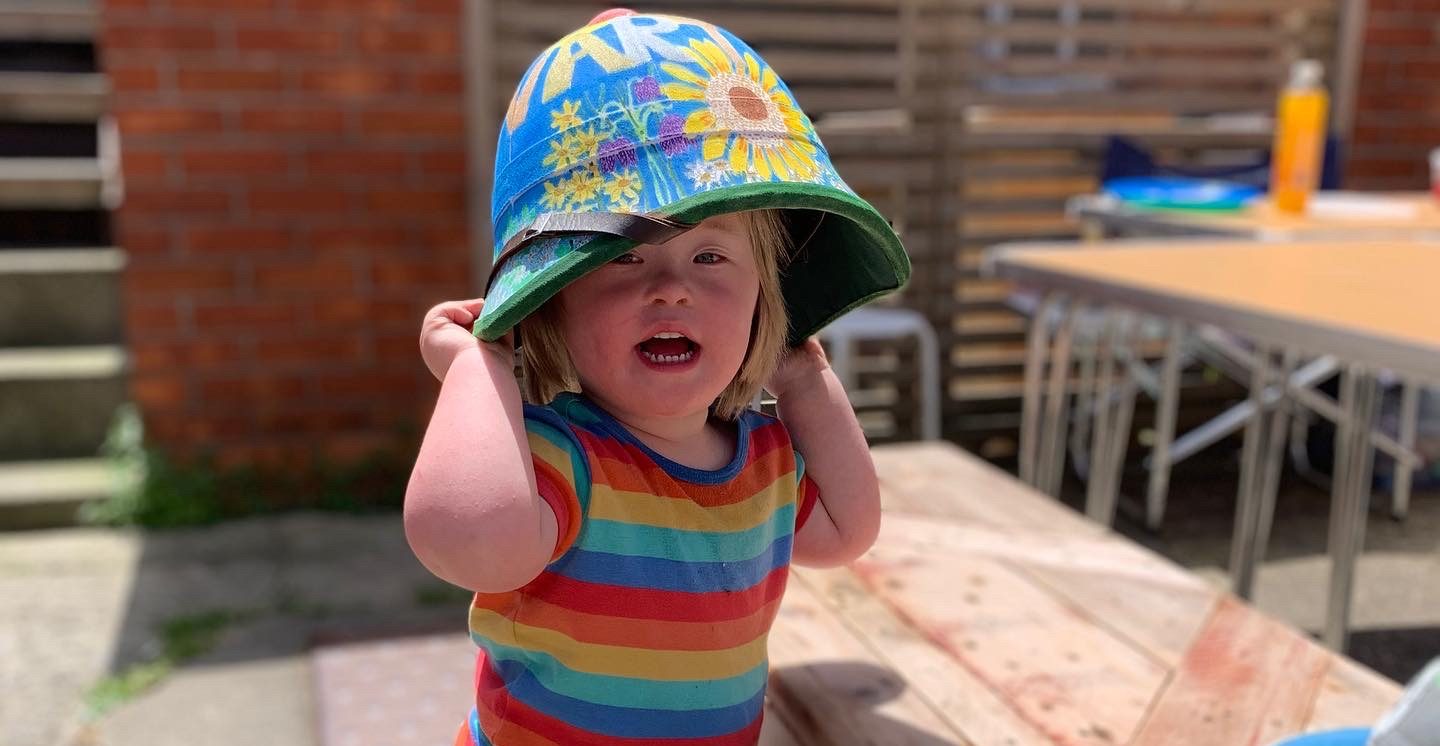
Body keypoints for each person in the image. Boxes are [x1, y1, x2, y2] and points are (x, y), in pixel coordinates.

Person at [405, 8, 910, 744]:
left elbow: (846, 532)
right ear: (551, 307)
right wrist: (478, 365)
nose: (671, 289)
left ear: (764, 298)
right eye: (622, 258)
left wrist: (800, 374)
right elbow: (466, 540)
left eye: (711, 258)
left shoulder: (766, 461)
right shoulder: (563, 460)